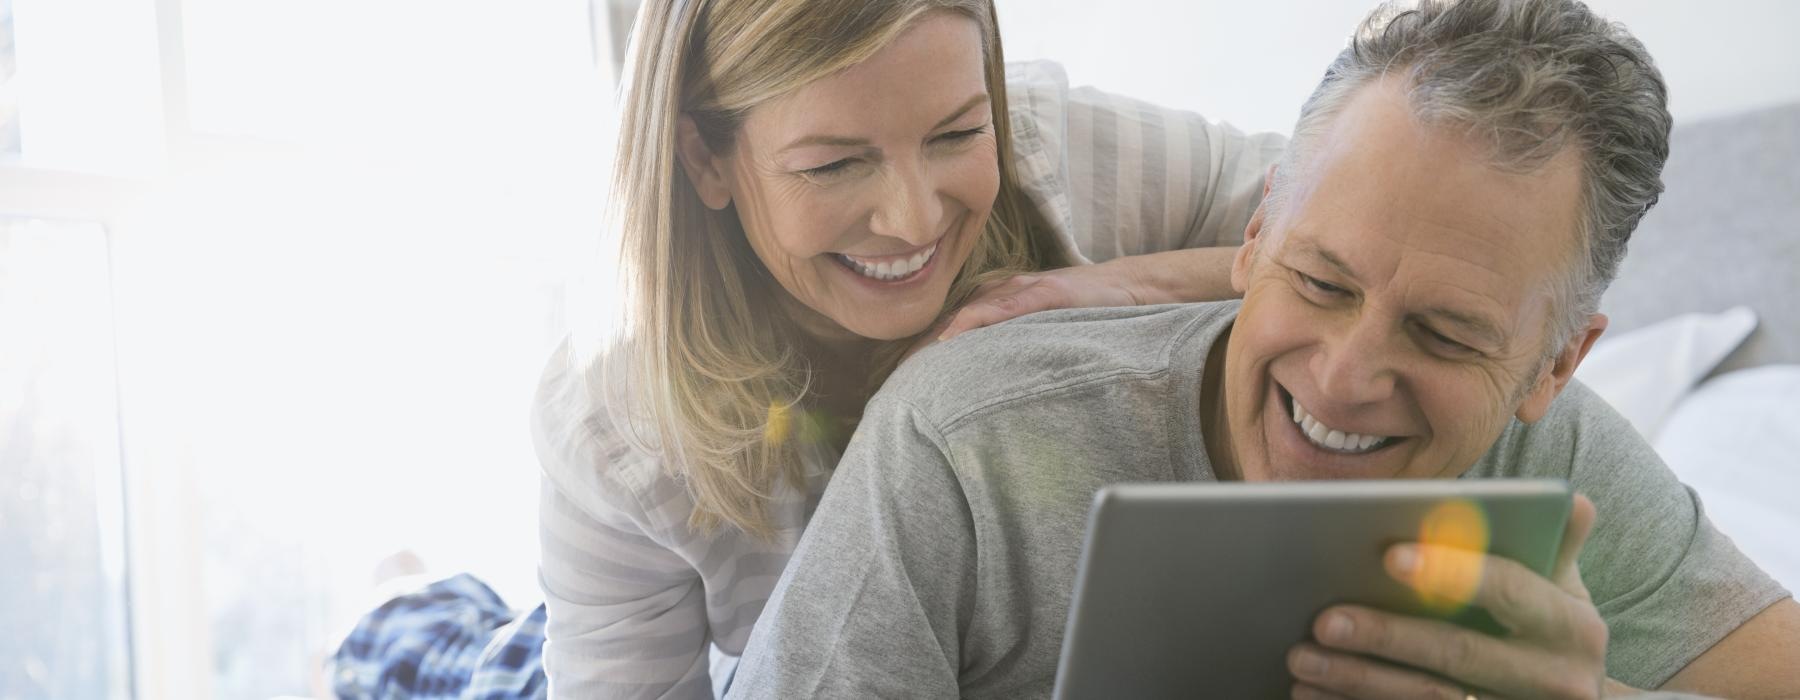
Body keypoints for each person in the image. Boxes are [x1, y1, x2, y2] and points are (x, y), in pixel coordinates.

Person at [727, 0, 1800, 697]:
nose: (1344, 375)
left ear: (1555, 364)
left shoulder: (1548, 461)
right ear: (1252, 238)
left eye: (1444, 332)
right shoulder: (961, 442)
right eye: (1320, 282)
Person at [329, 0, 1284, 697]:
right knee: (438, 659)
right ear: (704, 157)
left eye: (955, 134)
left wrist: (1111, 287)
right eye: (833, 164)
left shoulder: (1063, 149)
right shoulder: (614, 421)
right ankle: (399, 591)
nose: (915, 216)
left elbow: (1353, 241)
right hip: (663, 667)